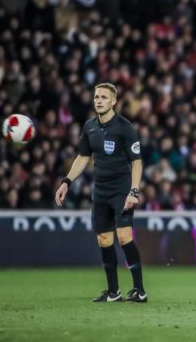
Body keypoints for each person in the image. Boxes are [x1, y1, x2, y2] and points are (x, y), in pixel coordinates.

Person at [55, 83, 147, 303]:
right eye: (97, 97)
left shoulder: (125, 127)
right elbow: (83, 157)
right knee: (104, 239)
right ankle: (113, 292)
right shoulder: (89, 127)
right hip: (101, 190)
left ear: (113, 101)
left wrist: (134, 191)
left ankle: (140, 290)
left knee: (124, 236)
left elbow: (137, 162)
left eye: (104, 97)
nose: (99, 100)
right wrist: (66, 182)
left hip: (121, 189)